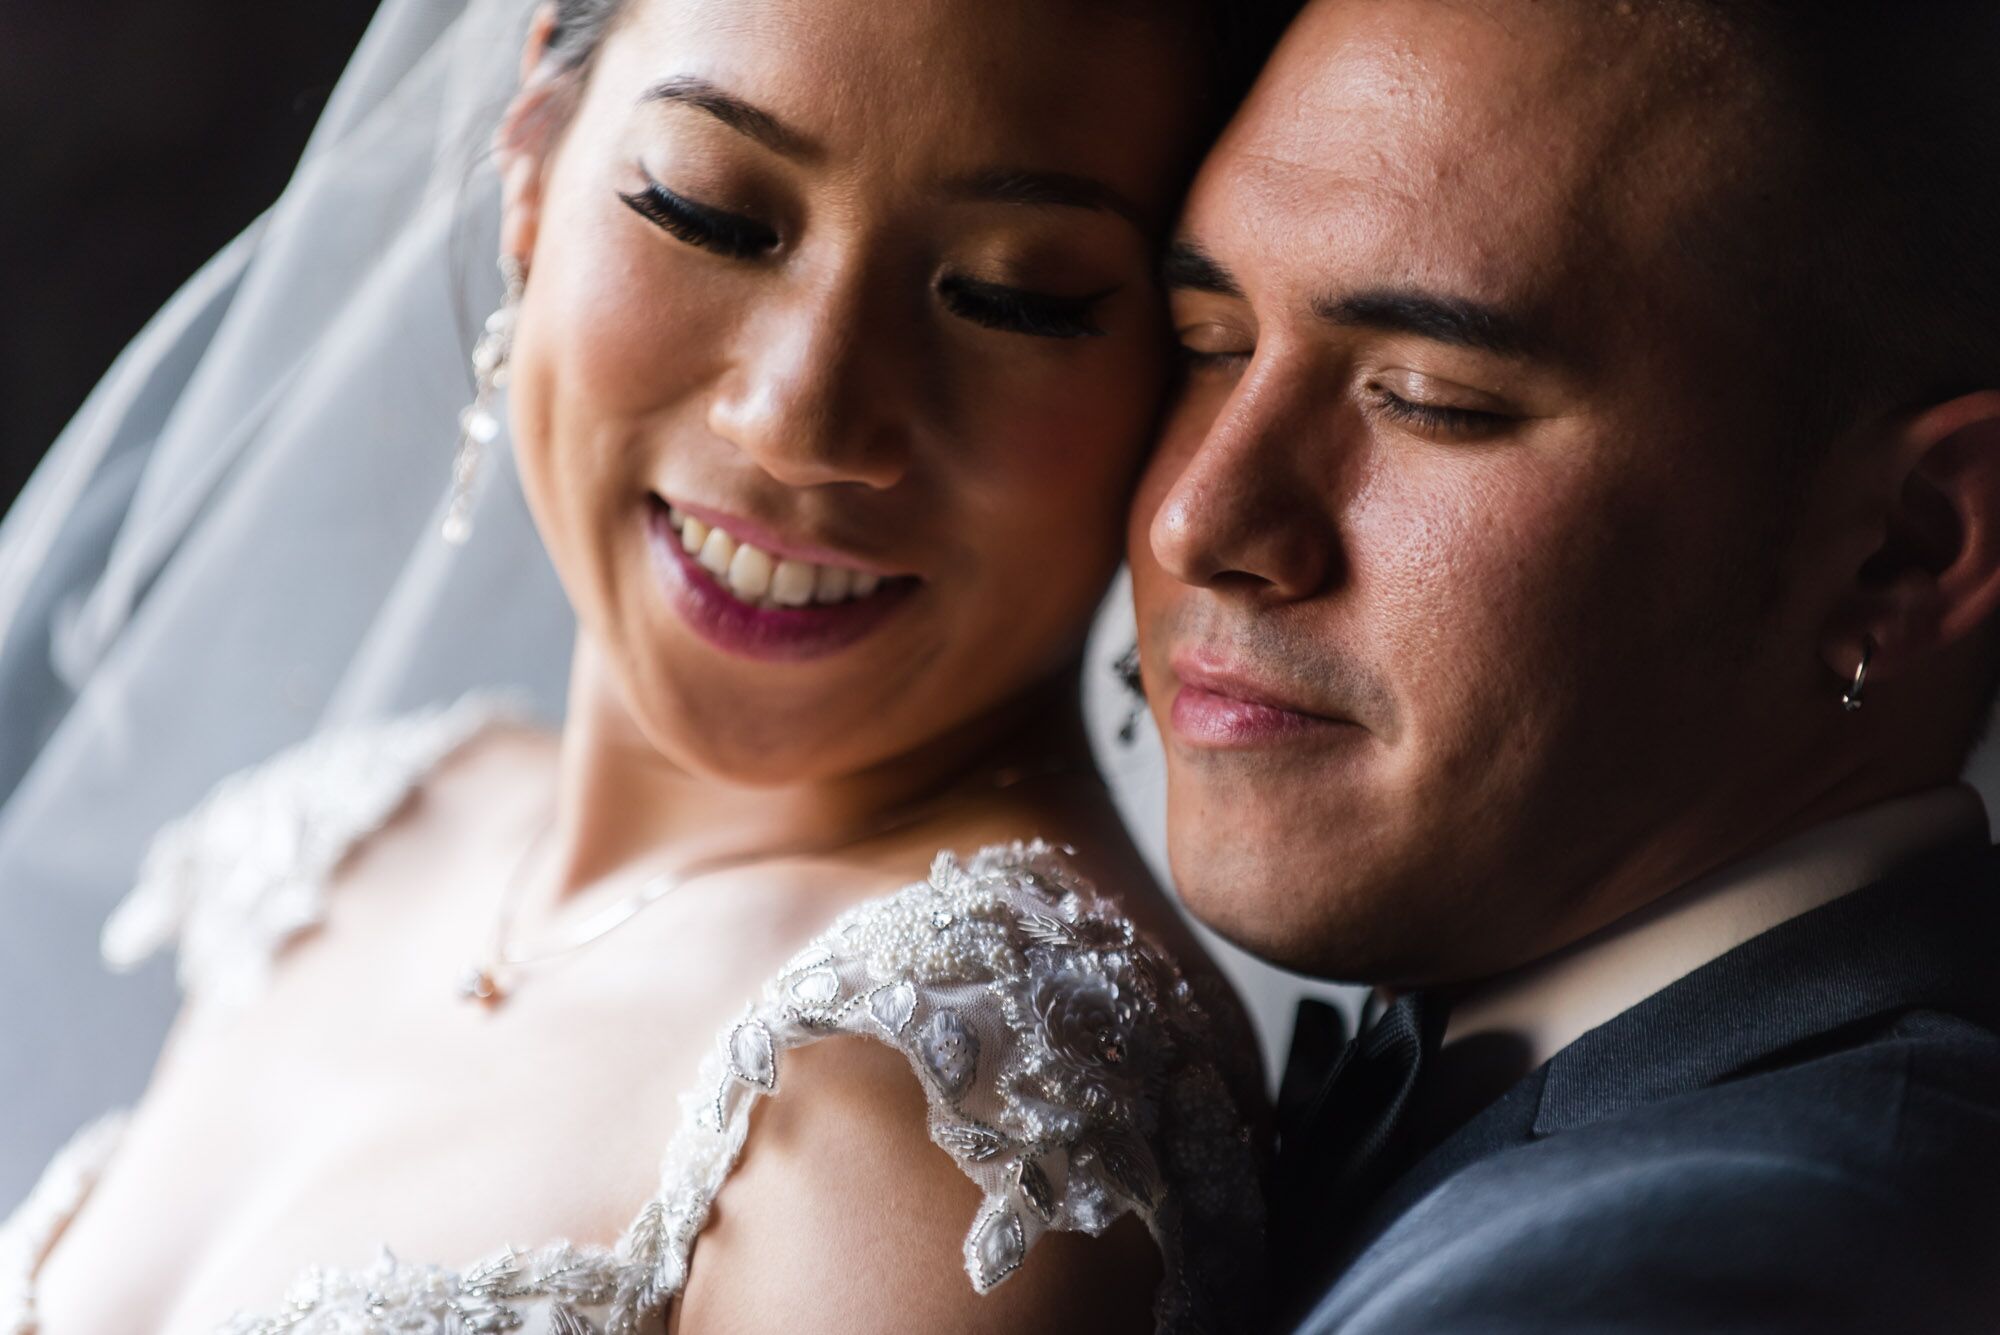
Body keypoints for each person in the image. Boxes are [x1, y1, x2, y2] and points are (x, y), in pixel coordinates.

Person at [0, 0, 1289, 1330]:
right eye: (710, 214)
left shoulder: (942, 1100)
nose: (800, 417)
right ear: (533, 165)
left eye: (1013, 298)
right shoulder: (370, 834)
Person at [1131, 0, 2000, 1330]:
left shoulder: (1673, 1277)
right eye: (1209, 346)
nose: (1201, 517)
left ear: (1905, 549)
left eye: (1434, 398)